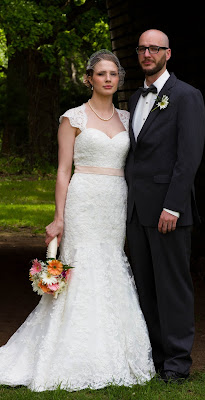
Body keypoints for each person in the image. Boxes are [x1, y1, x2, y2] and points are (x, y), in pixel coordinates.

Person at [0, 49, 155, 392]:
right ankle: (68, 352)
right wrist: (58, 217)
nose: (108, 79)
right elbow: (62, 171)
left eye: (113, 74)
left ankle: (114, 349)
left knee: (110, 264)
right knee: (82, 266)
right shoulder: (73, 118)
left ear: (119, 80)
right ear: (89, 78)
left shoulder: (129, 118)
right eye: (101, 73)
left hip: (115, 200)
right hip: (83, 199)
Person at [125, 30, 205, 383]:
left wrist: (172, 206)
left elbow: (188, 157)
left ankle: (177, 364)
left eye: (154, 48)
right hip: (137, 211)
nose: (147, 53)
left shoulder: (186, 96)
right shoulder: (133, 98)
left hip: (167, 212)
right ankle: (156, 358)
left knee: (172, 288)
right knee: (146, 286)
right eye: (142, 48)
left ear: (167, 53)